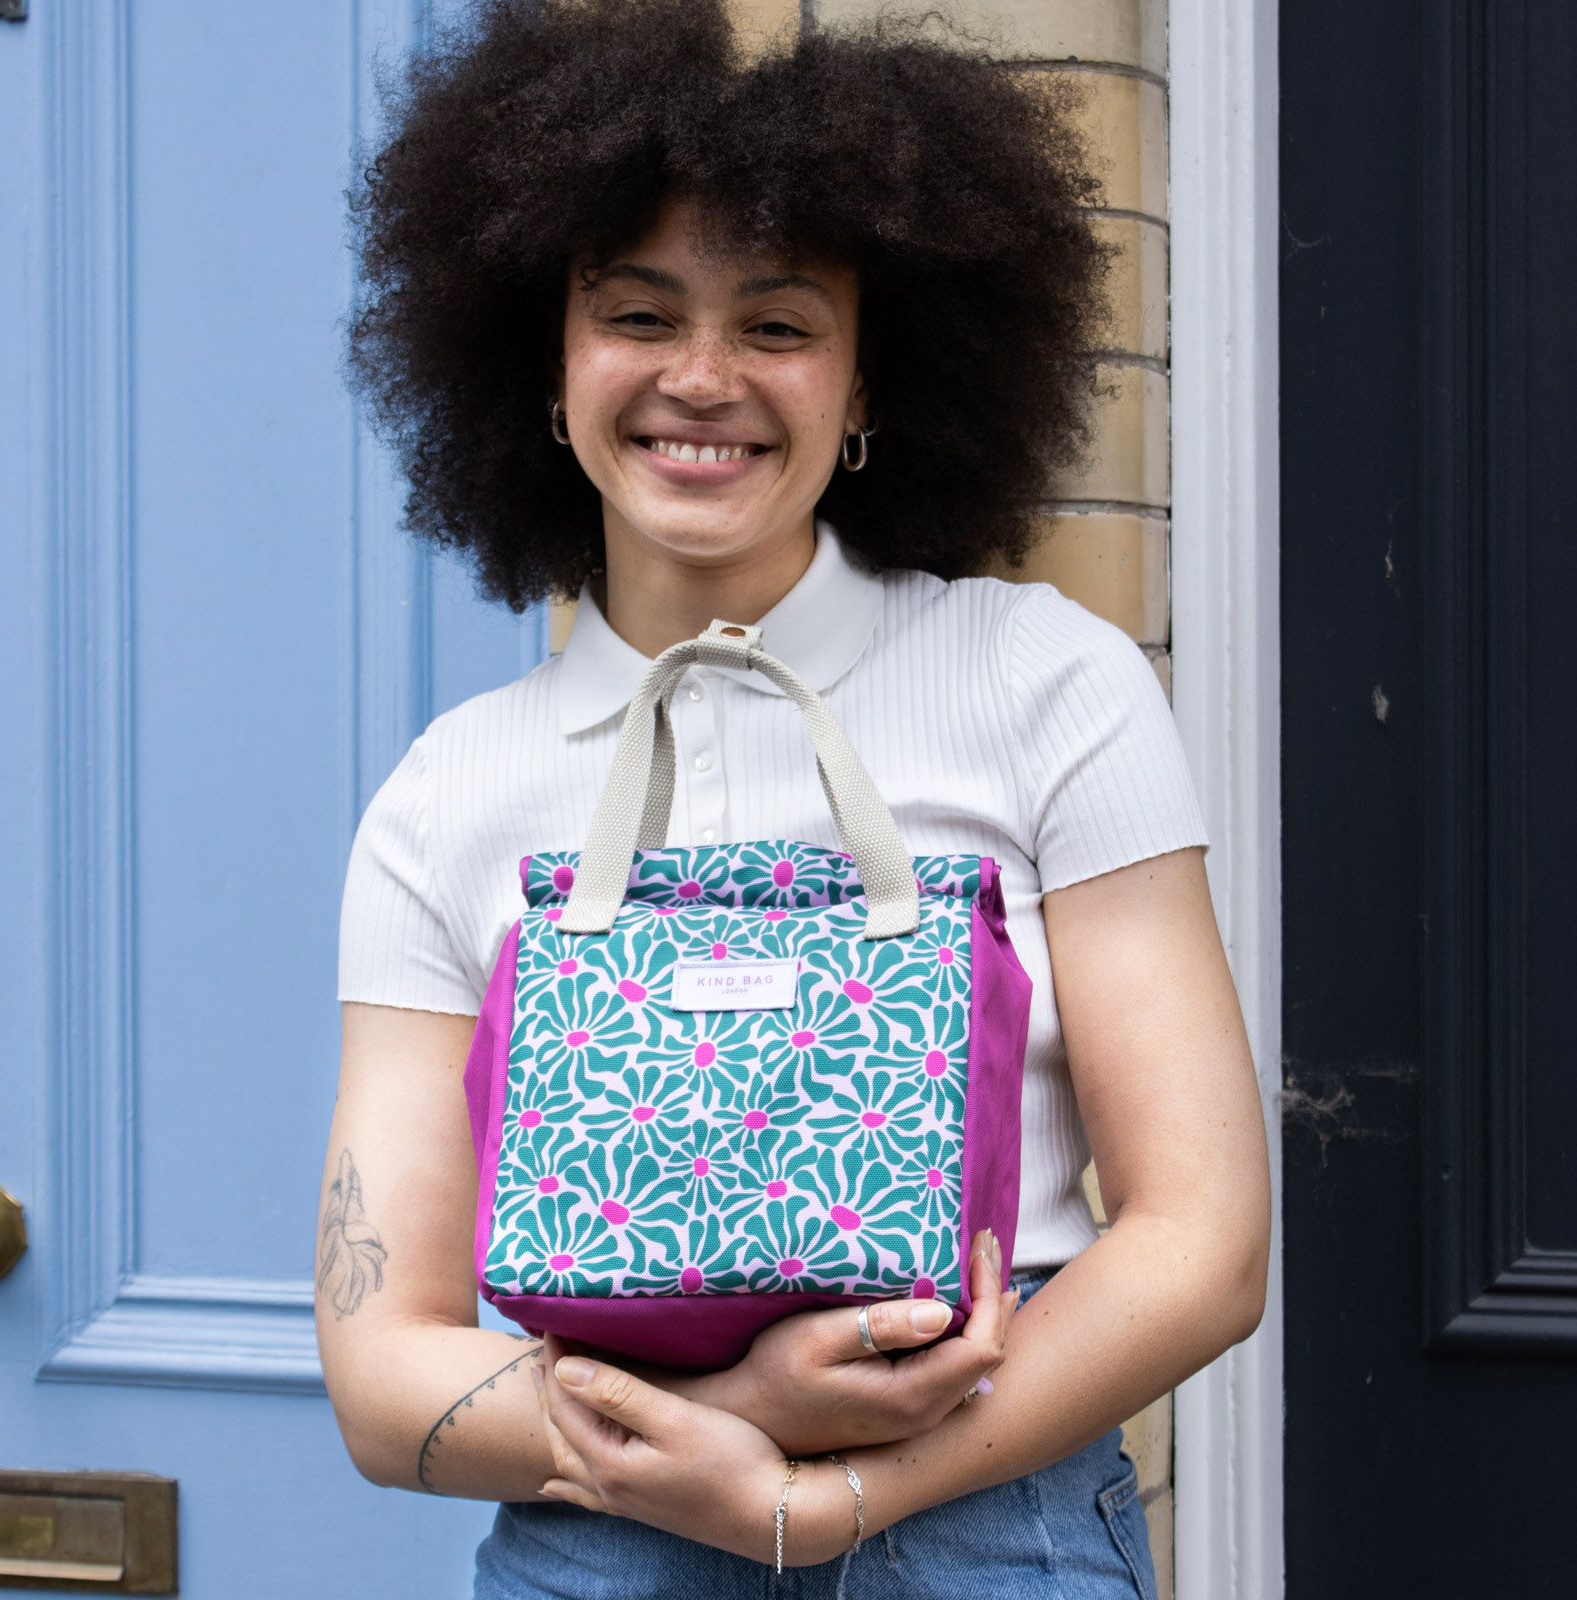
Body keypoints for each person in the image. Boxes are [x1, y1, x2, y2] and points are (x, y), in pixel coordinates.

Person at [317, 2, 1271, 1595]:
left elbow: (1204, 1242)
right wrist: (737, 1424)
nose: (702, 379)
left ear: (866, 378)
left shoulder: (1042, 679)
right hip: (599, 1547)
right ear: (542, 366)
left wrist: (837, 1499)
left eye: (776, 324)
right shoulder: (448, 793)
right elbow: (377, 1362)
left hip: (986, 1531)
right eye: (637, 313)